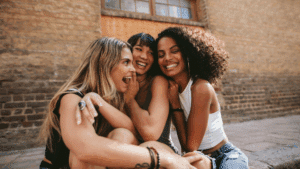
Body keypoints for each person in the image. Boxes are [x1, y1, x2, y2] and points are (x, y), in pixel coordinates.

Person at [38, 37, 203, 169]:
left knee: (126, 136)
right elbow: (86, 149)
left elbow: (130, 130)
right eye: (126, 62)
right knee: (86, 156)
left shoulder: (110, 97)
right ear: (105, 64)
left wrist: (99, 100)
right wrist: (163, 159)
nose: (133, 69)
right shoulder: (72, 97)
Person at [156, 27, 249, 169]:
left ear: (188, 53)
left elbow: (190, 146)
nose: (167, 58)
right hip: (199, 158)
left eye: (174, 51)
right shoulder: (171, 90)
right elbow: (187, 149)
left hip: (225, 155)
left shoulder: (200, 88)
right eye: (161, 54)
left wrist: (175, 104)